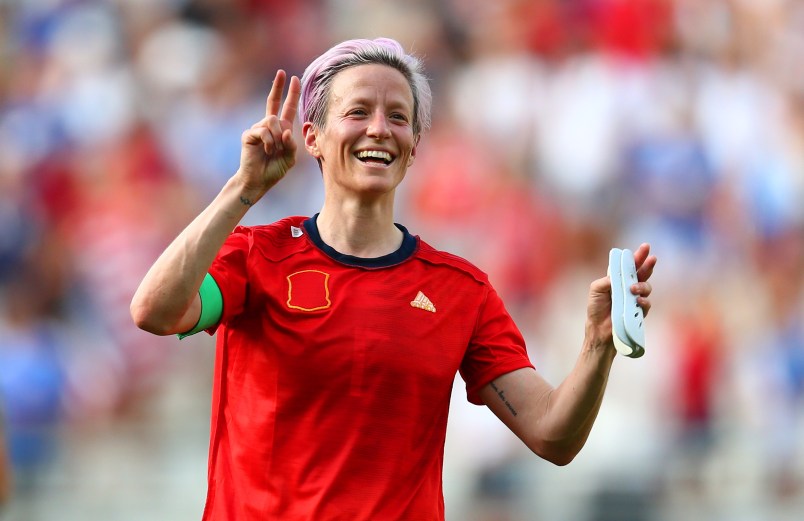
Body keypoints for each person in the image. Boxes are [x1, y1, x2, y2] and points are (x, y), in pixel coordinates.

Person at [130, 37, 656, 521]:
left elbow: (552, 436)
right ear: (311, 137)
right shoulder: (255, 256)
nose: (379, 128)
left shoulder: (460, 290)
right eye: (358, 111)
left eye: (398, 116)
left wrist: (598, 344)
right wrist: (242, 188)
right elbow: (153, 311)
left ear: (414, 144)